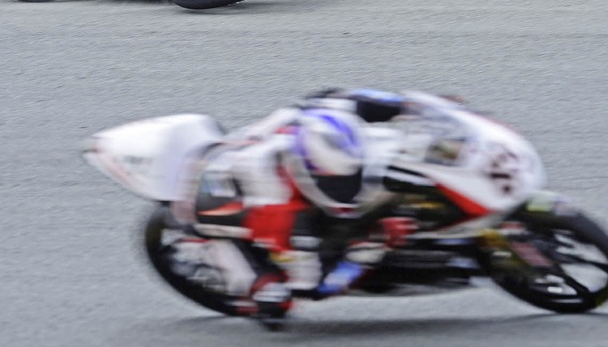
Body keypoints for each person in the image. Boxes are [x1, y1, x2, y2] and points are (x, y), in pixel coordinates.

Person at [177, 87, 545, 330]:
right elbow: (316, 287)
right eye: (338, 183)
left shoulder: (327, 116)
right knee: (277, 301)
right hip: (223, 216)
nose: (347, 187)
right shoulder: (282, 213)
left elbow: (375, 100)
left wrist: (437, 111)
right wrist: (376, 241)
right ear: (305, 174)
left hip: (243, 153)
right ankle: (250, 288)